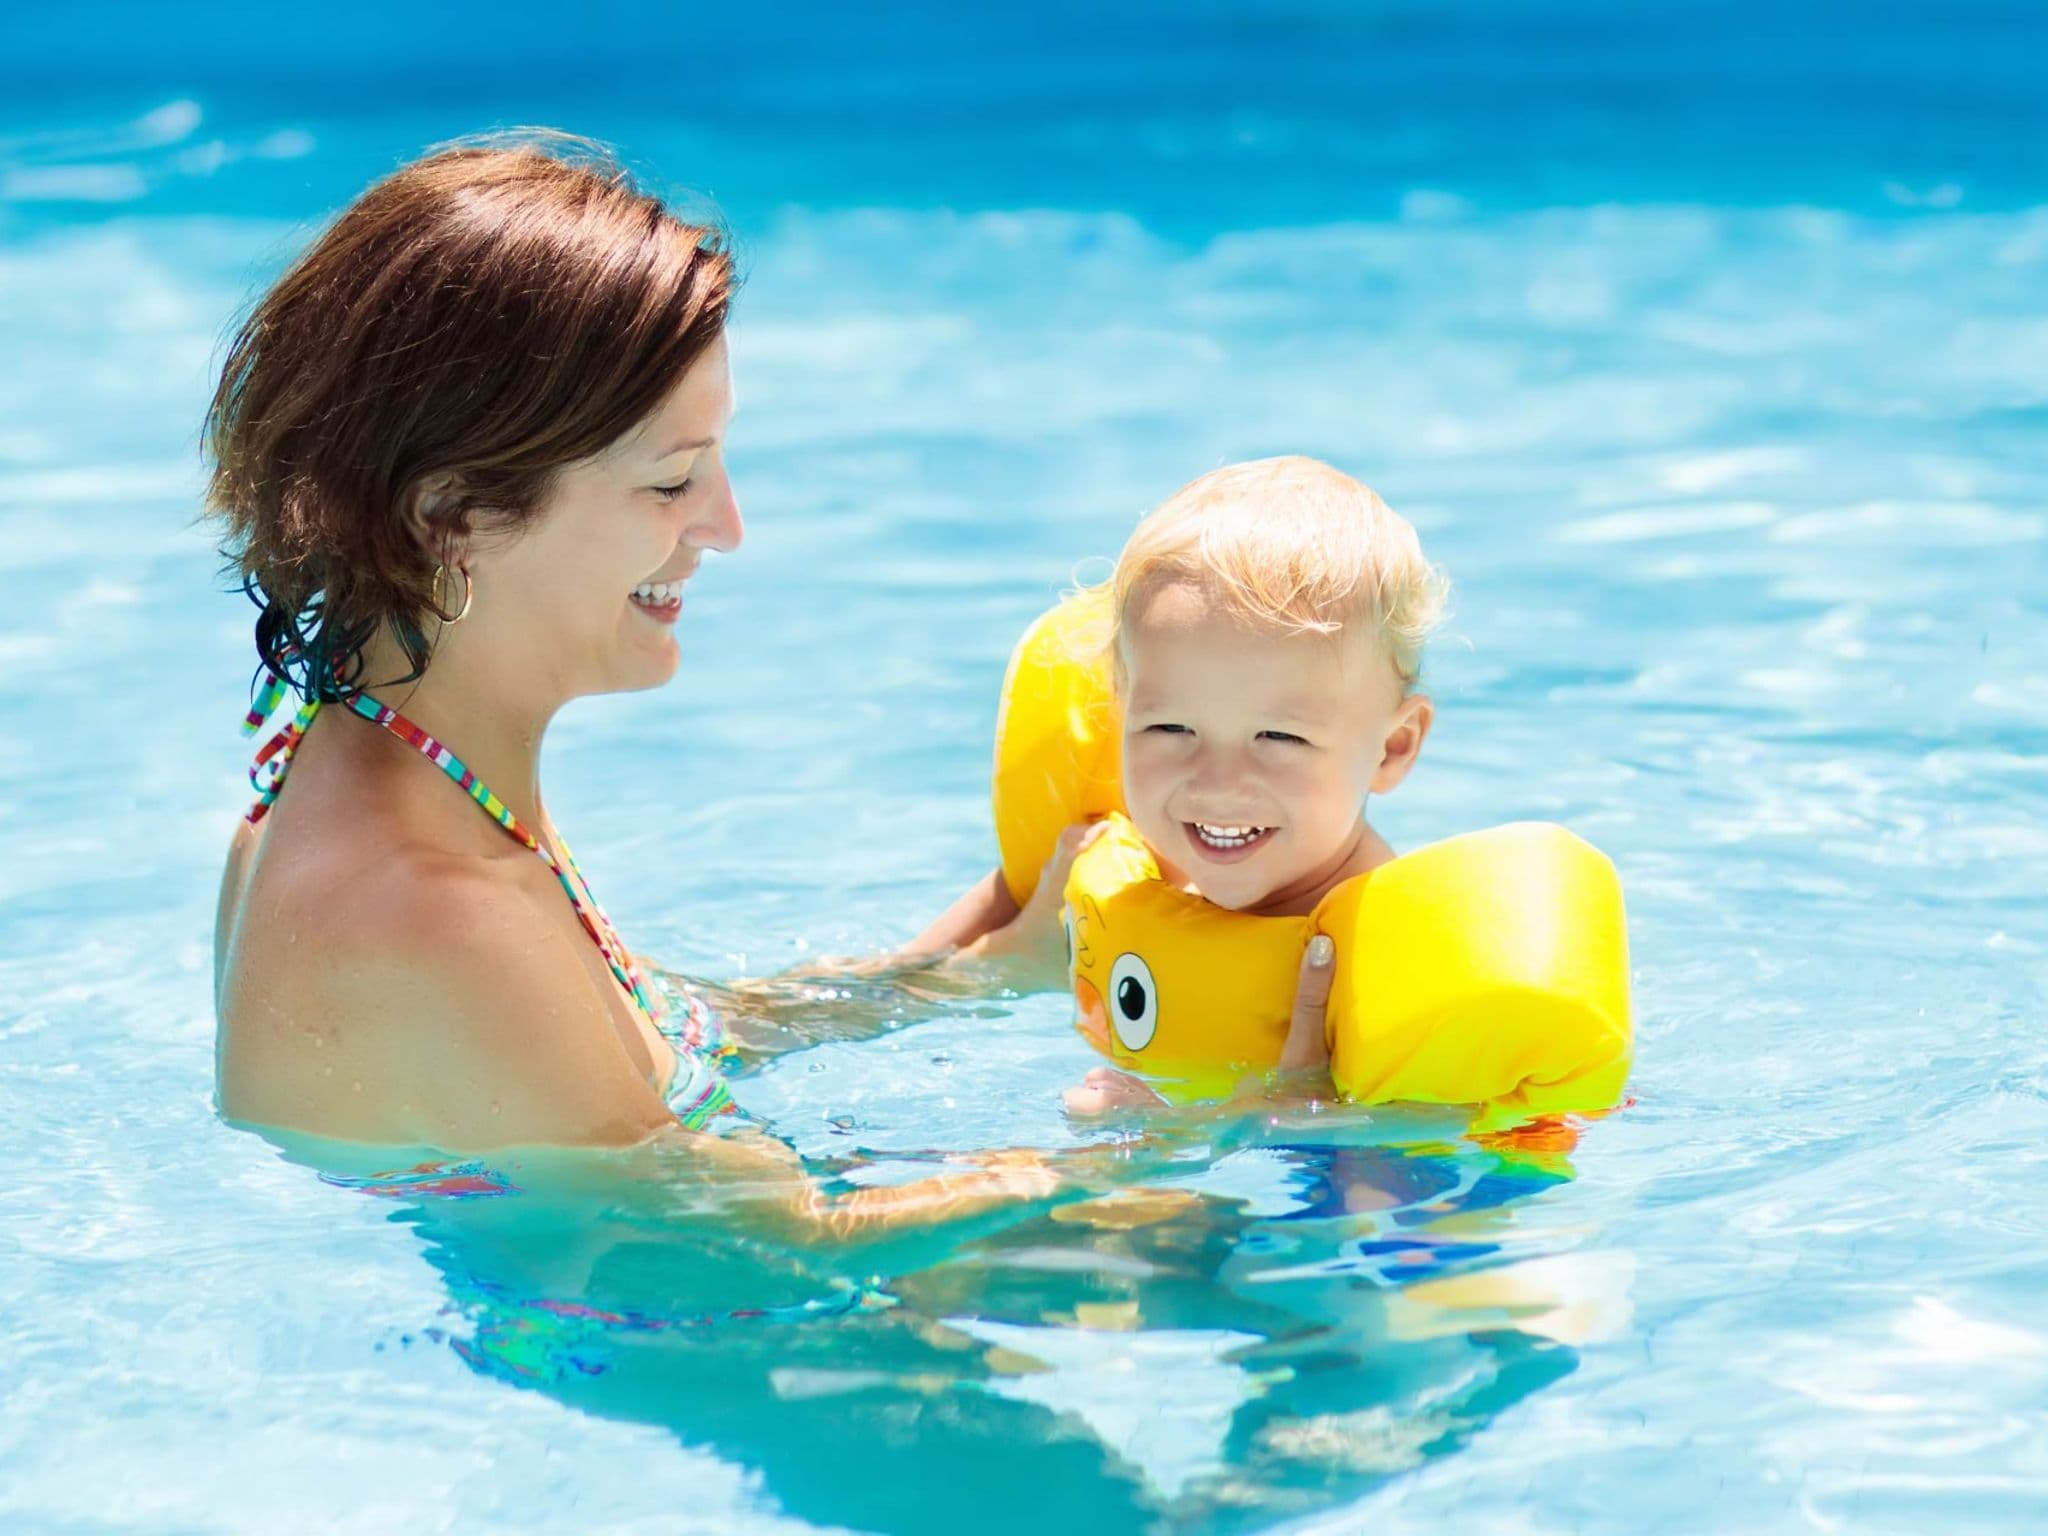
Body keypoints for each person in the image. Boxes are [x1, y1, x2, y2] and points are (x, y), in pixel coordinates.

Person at [206, 134, 1076, 1233]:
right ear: (451, 518)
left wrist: (976, 964)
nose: (726, 527)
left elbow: (651, 1031)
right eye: (671, 482)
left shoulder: (385, 773)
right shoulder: (436, 906)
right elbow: (765, 1247)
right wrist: (1206, 1133)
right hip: (639, 1336)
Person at [914, 456, 1446, 1115]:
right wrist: (1012, 958)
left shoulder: (1394, 958)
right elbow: (867, 996)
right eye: (1170, 726)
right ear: (1120, 707)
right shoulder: (1105, 870)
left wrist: (1233, 1131)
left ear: (1392, 748)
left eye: (1279, 738)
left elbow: (1460, 1157)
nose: (1216, 783)